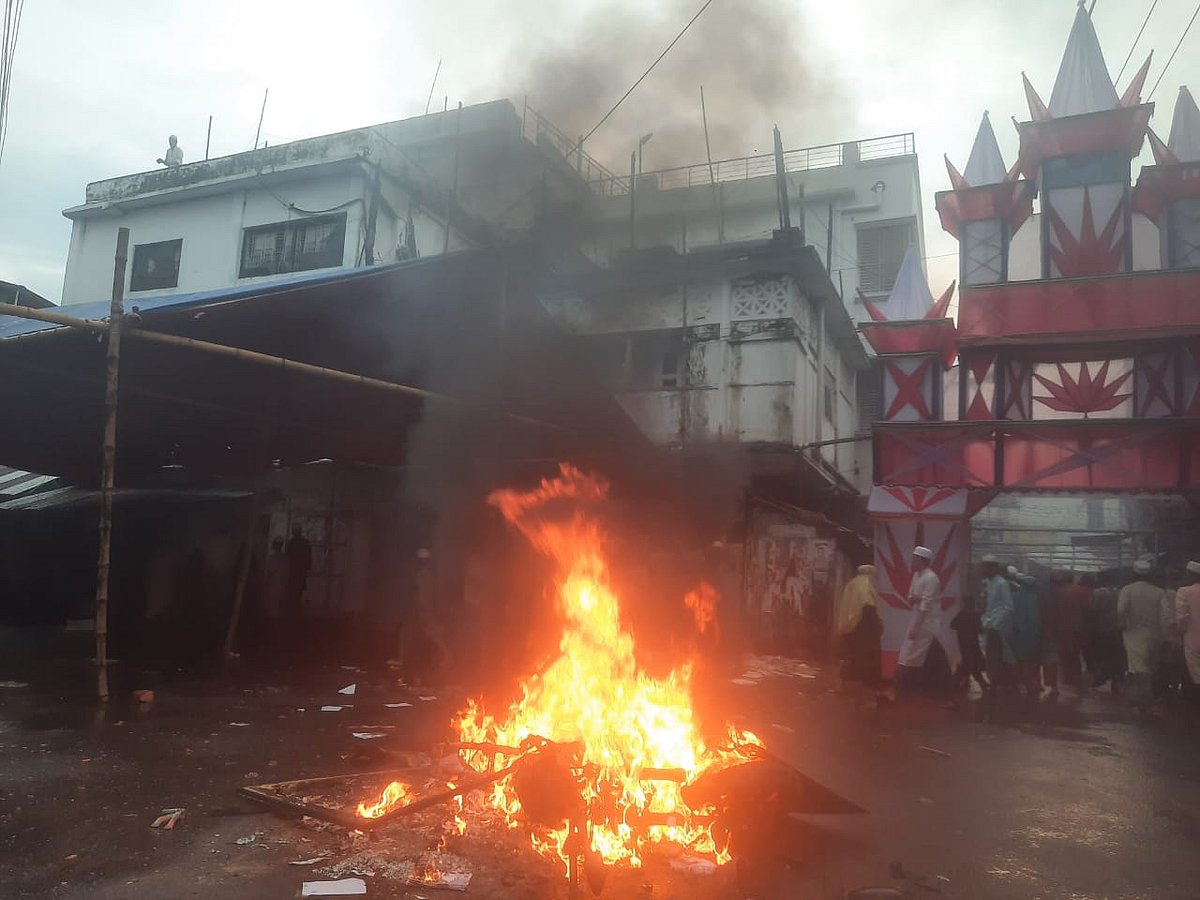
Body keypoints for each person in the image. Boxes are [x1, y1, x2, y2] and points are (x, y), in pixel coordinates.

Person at [891, 546, 961, 703]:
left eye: (914, 558)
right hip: (918, 622)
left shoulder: (931, 579)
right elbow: (911, 598)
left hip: (926, 624)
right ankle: (944, 691)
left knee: (908, 656)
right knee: (930, 656)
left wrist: (916, 627)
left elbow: (925, 605)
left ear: (921, 560)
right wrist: (915, 601)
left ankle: (896, 688)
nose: (912, 561)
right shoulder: (917, 576)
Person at [1118, 559, 1165, 717]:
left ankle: (1143, 702)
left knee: (1138, 670)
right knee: (1150, 669)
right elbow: (1165, 616)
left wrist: (1122, 625)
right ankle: (1143, 702)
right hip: (1155, 636)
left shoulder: (1127, 590)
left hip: (1133, 635)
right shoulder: (1159, 592)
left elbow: (1121, 611)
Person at [836, 564, 882, 688]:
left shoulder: (852, 583)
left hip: (848, 627)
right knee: (864, 657)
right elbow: (868, 606)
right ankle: (863, 685)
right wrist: (877, 626)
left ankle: (844, 683)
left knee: (849, 655)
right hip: (862, 628)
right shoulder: (866, 585)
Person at [1083, 572, 1123, 693]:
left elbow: (1092, 610)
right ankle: (1117, 680)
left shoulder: (1098, 593)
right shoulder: (1120, 592)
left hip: (1101, 630)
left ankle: (1101, 677)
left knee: (1100, 656)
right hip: (1117, 630)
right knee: (1115, 656)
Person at [979, 557, 1016, 691]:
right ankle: (994, 681)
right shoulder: (988, 583)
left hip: (998, 628)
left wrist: (995, 623)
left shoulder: (1002, 583)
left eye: (985, 567)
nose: (983, 570)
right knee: (991, 656)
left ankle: (1004, 683)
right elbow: (986, 605)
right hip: (989, 625)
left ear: (993, 568)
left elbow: (1008, 607)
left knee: (1001, 657)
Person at [951, 574, 988, 694]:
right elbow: (981, 630)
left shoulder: (961, 614)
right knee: (970, 666)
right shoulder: (975, 615)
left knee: (970, 665)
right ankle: (955, 684)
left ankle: (957, 685)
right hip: (973, 644)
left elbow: (952, 625)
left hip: (963, 644)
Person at [1010, 570, 1042, 696]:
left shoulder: (1013, 596)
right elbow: (1034, 619)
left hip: (1014, 634)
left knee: (1017, 661)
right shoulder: (1034, 599)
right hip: (1030, 636)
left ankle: (1015, 685)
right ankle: (1029, 686)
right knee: (1028, 662)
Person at [1173, 560, 1200, 703]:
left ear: (1191, 575)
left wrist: (1178, 635)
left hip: (1191, 640)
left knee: (1193, 674)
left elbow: (1182, 619)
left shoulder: (1184, 592)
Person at [283, 524, 313, 617]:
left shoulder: (291, 543)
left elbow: (287, 558)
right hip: (299, 572)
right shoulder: (304, 543)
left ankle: (293, 611)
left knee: (293, 591)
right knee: (297, 592)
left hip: (294, 572)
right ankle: (295, 610)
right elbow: (309, 559)